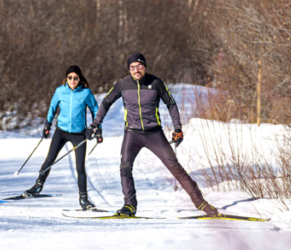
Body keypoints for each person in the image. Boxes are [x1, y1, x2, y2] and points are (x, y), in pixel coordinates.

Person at [88, 53, 219, 218]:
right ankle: (129, 205)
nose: (136, 70)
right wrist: (95, 124)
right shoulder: (122, 84)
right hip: (132, 134)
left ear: (145, 66)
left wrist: (177, 128)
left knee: (174, 167)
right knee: (125, 167)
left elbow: (171, 104)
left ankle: (200, 202)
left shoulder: (156, 83)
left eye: (139, 66)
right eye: (132, 67)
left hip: (154, 133)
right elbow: (106, 103)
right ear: (129, 69)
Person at [25, 65, 100, 210]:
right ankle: (37, 186)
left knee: (80, 167)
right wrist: (47, 125)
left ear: (80, 79)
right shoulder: (60, 91)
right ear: (66, 78)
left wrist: (96, 129)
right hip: (61, 132)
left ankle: (83, 199)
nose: (73, 80)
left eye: (75, 78)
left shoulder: (86, 93)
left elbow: (96, 110)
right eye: (70, 77)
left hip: (79, 134)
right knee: (49, 159)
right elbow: (52, 107)